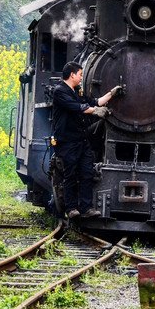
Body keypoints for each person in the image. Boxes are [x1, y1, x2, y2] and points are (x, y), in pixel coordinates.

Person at [51, 61, 122, 218]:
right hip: (67, 141)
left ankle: (86, 207)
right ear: (72, 75)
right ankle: (70, 209)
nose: (82, 77)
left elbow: (93, 102)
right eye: (81, 74)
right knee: (70, 174)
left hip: (82, 140)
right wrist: (95, 111)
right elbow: (76, 107)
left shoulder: (77, 92)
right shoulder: (60, 91)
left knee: (87, 173)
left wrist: (111, 94)